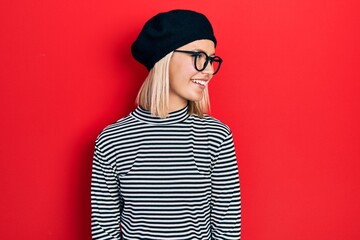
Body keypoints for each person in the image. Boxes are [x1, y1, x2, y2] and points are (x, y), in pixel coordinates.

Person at [91, 9, 241, 240]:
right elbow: (104, 231)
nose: (210, 70)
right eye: (199, 57)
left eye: (211, 60)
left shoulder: (215, 136)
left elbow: (227, 230)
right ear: (165, 58)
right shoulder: (112, 140)